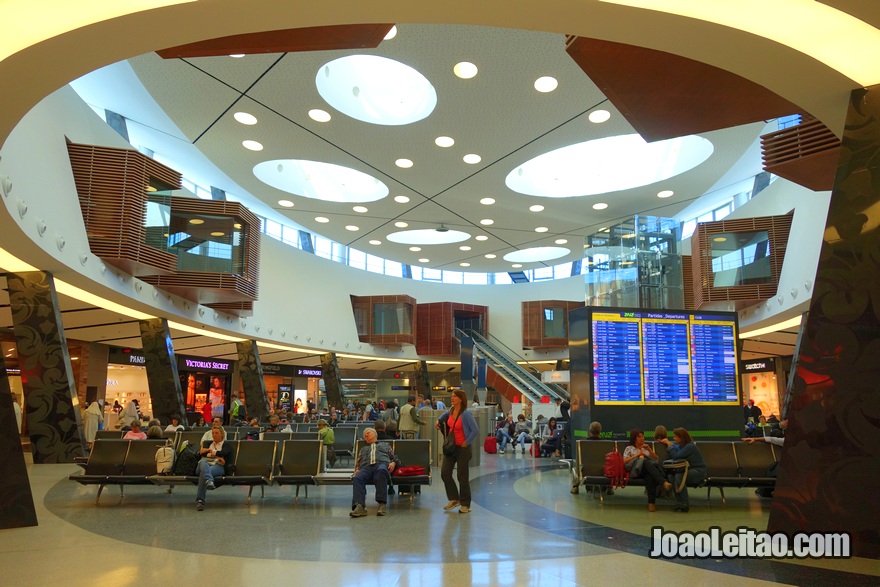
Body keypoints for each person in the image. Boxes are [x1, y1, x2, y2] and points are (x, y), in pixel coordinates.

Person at [435, 389, 478, 513]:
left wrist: (467, 441)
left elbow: (475, 430)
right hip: (451, 447)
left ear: (460, 399)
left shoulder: (466, 414)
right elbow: (442, 417)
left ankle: (465, 504)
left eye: (454, 396)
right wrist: (438, 421)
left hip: (463, 449)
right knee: (445, 473)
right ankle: (454, 498)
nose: (452, 398)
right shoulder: (451, 411)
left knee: (462, 476)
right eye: (452, 396)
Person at [350, 427, 399, 518]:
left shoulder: (385, 445)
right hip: (366, 467)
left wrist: (393, 462)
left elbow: (393, 457)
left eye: (368, 433)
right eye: (365, 435)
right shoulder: (363, 449)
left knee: (381, 472)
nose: (366, 435)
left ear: (375, 434)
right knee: (358, 478)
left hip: (381, 464)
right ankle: (359, 506)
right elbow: (359, 461)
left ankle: (382, 504)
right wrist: (357, 469)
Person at [622, 428, 673, 512]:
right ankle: (663, 482)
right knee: (645, 462)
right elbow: (624, 462)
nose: (642, 438)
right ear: (634, 438)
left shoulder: (645, 449)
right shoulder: (629, 448)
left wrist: (649, 450)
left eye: (643, 436)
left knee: (650, 476)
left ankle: (651, 503)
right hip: (635, 471)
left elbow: (656, 459)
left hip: (645, 471)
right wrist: (637, 455)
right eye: (639, 437)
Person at [658, 427, 707, 512]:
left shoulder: (690, 447)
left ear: (682, 438)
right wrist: (668, 443)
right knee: (671, 476)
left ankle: (684, 502)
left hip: (698, 471)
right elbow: (676, 447)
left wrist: (669, 445)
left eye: (676, 437)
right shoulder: (682, 445)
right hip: (688, 470)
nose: (674, 438)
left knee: (679, 476)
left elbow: (676, 456)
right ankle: (679, 502)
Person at [195, 426, 233, 511]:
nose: (214, 435)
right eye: (213, 433)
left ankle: (200, 500)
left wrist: (209, 452)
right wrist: (217, 456)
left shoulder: (226, 445)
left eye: (216, 433)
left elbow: (223, 453)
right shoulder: (209, 443)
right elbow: (201, 454)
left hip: (217, 467)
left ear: (222, 434)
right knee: (203, 462)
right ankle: (209, 480)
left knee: (204, 473)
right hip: (203, 465)